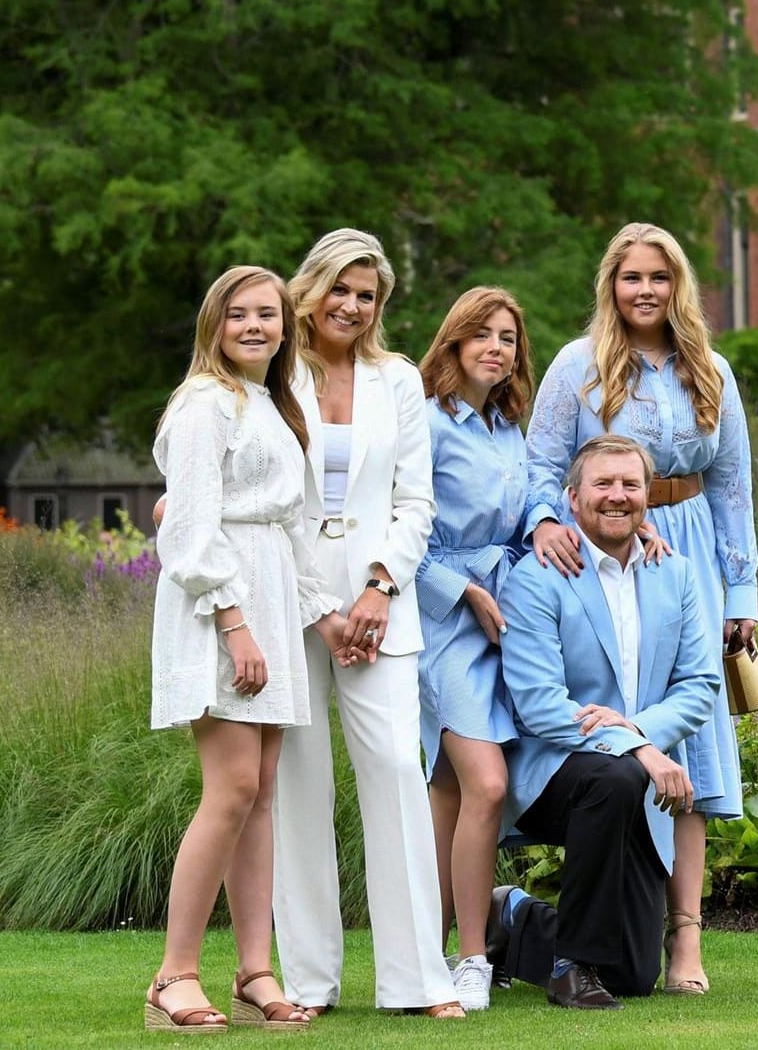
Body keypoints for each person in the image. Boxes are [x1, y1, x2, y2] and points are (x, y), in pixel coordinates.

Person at [525, 222, 758, 995]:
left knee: (689, 753)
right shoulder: (576, 367)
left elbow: (731, 487)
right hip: (602, 539)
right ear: (611, 285)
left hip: (684, 553)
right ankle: (582, 931)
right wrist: (546, 522)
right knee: (620, 743)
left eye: (660, 275)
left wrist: (742, 593)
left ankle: (685, 939)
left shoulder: (710, 369)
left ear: (678, 284)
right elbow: (542, 464)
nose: (646, 289)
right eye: (632, 277)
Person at [146, 266, 356, 1032]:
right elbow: (191, 532)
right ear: (215, 324)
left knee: (261, 794)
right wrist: (235, 623)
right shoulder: (204, 404)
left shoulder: (270, 403)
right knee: (232, 787)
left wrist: (320, 612)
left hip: (267, 598)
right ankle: (174, 974)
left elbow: (292, 533)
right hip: (221, 604)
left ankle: (254, 969)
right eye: (239, 314)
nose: (255, 326)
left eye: (267, 314)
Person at [271, 228, 462, 1017]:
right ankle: (309, 982)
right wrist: (323, 610)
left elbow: (416, 499)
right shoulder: (271, 377)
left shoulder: (398, 381)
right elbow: (273, 506)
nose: (350, 305)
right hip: (289, 601)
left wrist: (381, 587)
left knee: (394, 774)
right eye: (339, 289)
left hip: (386, 605)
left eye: (366, 294)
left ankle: (417, 980)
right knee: (298, 784)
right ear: (309, 289)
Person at [490, 434, 721, 1009]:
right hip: (554, 771)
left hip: (635, 782)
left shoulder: (679, 575)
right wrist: (636, 748)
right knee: (614, 777)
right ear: (572, 498)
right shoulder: (537, 577)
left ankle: (513, 916)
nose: (617, 496)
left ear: (647, 498)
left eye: (630, 485)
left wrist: (634, 734)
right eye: (602, 484)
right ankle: (571, 968)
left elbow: (700, 687)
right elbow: (539, 703)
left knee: (634, 976)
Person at [411, 287, 535, 1011]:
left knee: (453, 791)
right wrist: (467, 593)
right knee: (484, 783)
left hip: (508, 621)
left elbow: (526, 525)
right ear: (453, 343)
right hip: (447, 622)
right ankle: (471, 956)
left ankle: (423, 952)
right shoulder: (426, 424)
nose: (497, 347)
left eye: (509, 337)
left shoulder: (509, 430)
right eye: (482, 334)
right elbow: (404, 537)